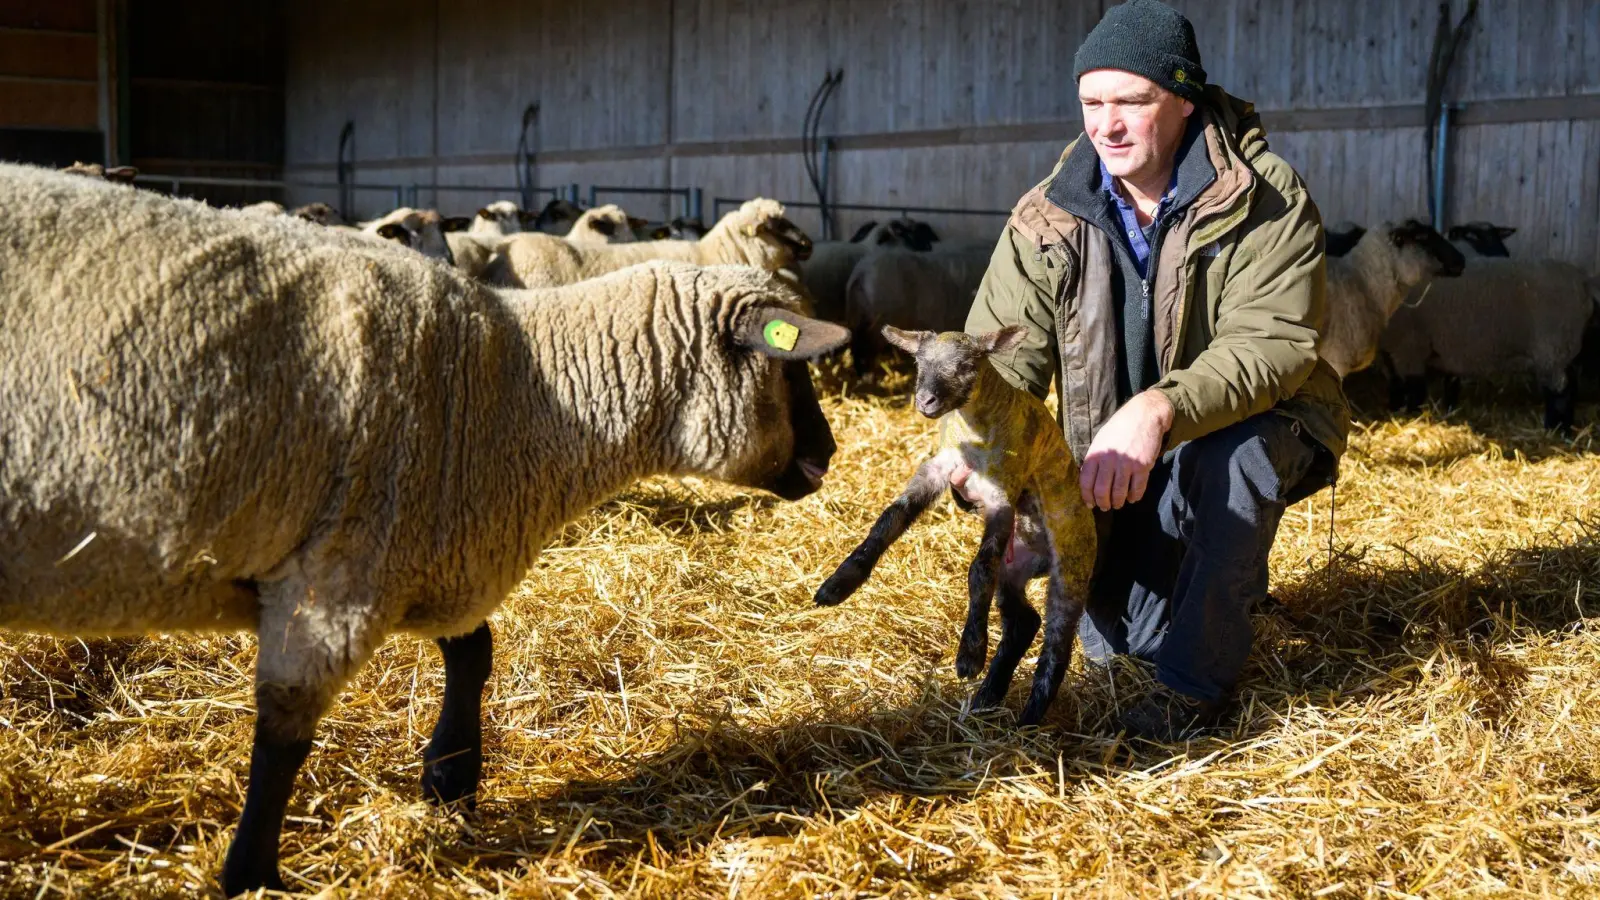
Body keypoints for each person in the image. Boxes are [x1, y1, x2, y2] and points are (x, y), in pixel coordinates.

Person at [962, 0, 1350, 741]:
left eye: (1132, 102)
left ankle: (1191, 693)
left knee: (1230, 462)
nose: (1106, 125)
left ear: (1182, 100)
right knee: (1125, 646)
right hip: (1108, 450)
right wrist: (996, 462)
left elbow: (1271, 342)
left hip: (1248, 423)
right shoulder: (1051, 214)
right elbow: (998, 357)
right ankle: (1203, 593)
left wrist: (1160, 407)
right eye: (1091, 102)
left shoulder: (1264, 197)